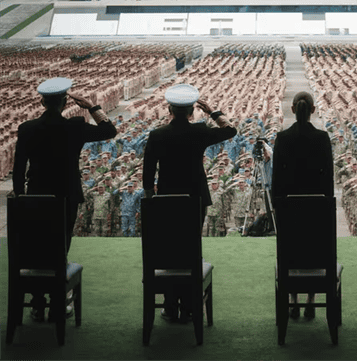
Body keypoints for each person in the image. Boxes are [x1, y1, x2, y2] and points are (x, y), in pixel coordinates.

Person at [12, 77, 117, 321]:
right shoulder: (74, 126)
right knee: (60, 247)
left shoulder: (27, 128)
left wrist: (20, 196)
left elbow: (18, 168)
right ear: (63, 102)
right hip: (66, 195)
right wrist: (91, 106)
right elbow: (109, 130)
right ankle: (58, 302)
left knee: (37, 247)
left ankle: (38, 303)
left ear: (41, 102)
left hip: (36, 195)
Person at [142, 84, 237, 323]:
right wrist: (213, 111)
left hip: (166, 199)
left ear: (169, 109)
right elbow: (230, 131)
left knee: (169, 248)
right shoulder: (200, 131)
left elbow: (147, 174)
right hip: (195, 197)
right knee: (191, 246)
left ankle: (171, 304)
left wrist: (151, 200)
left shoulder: (157, 135)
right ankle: (190, 305)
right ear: (193, 111)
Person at [272, 91, 334, 320]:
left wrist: (278, 207)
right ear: (313, 110)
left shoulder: (283, 138)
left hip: (289, 207)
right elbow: (328, 176)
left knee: (291, 250)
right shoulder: (322, 138)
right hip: (317, 207)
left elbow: (276, 177)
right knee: (314, 249)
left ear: (293, 110)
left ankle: (293, 301)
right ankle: (310, 300)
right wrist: (326, 205)